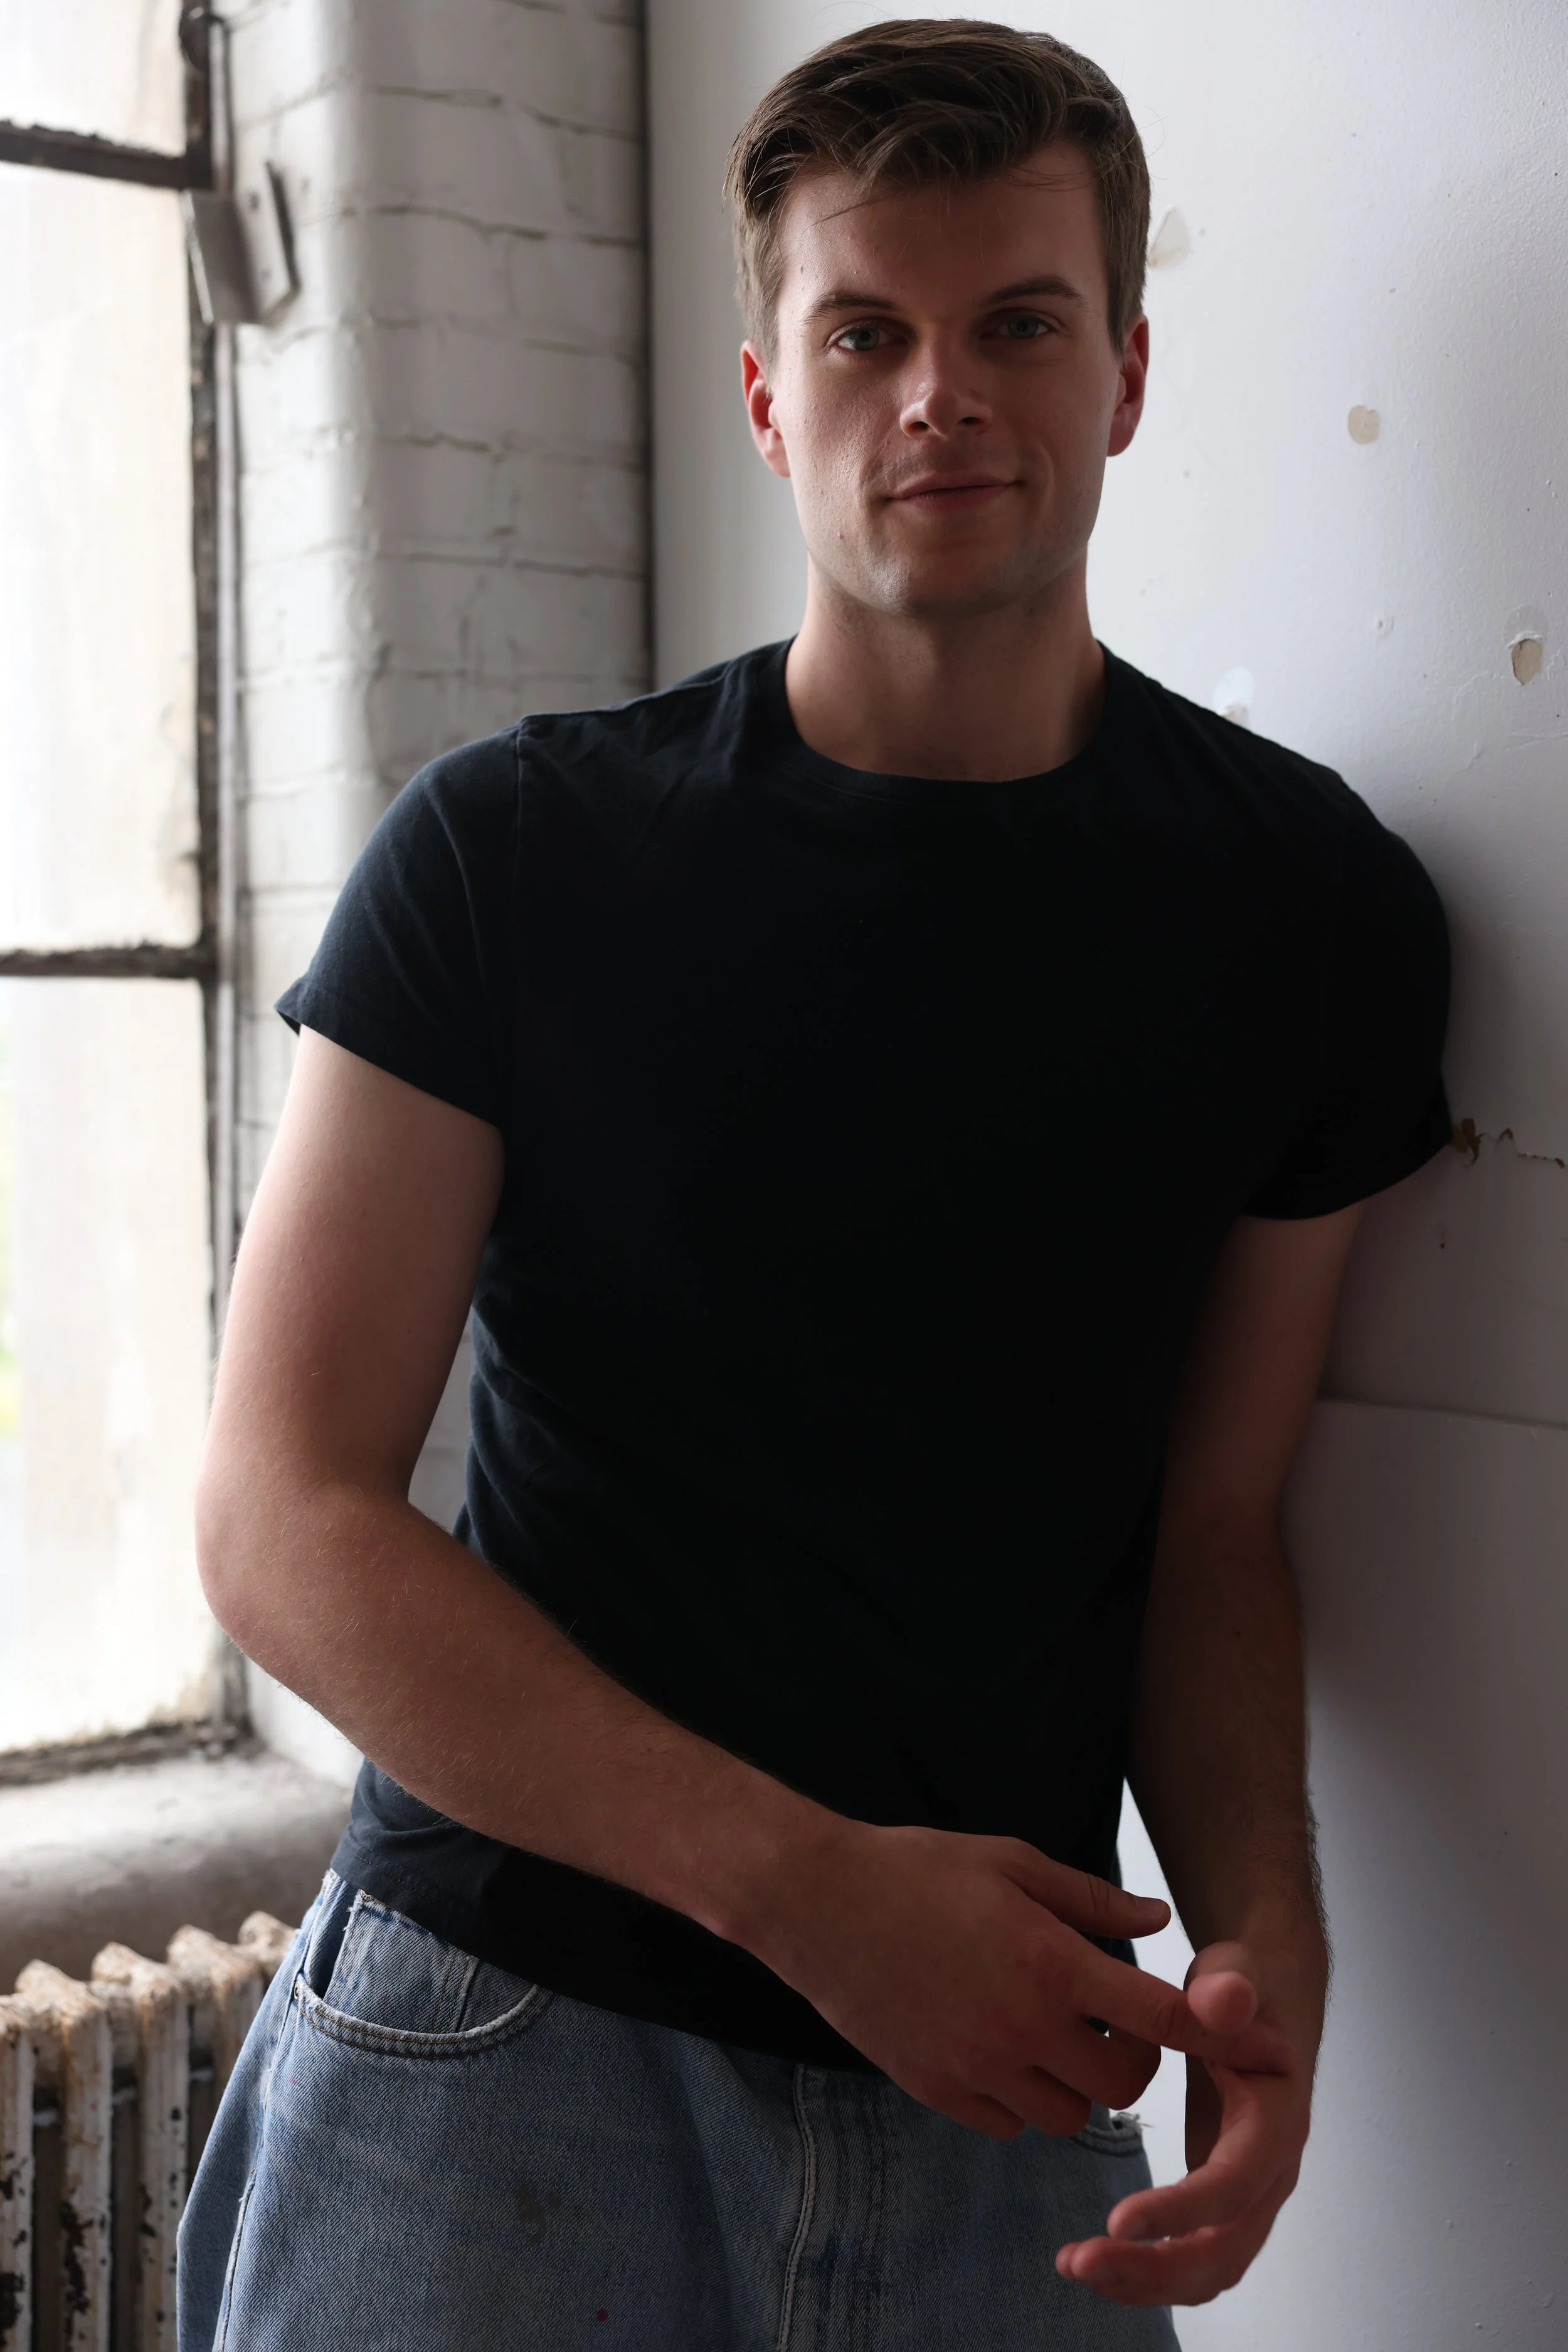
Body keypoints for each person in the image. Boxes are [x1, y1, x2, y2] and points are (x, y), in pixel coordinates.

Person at [180, 19, 1451, 2349]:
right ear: (770, 396)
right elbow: (279, 1515)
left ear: (1126, 374)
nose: (937, 394)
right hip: (500, 2040)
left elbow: (1209, 1528)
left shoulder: (1313, 918)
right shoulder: (513, 857)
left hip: (1006, 2086)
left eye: (1018, 323)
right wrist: (804, 1890)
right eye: (863, 330)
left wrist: (1268, 1943)